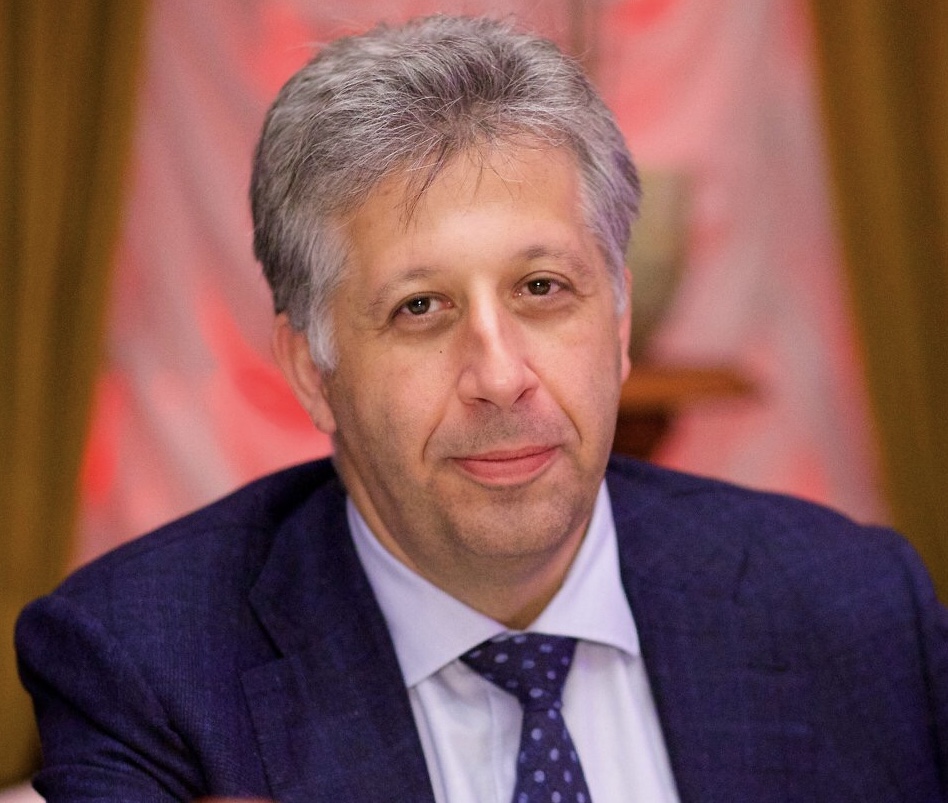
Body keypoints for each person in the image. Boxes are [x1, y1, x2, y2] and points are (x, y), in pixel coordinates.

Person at [15, 13, 948, 803]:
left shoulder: (856, 609)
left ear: (621, 324)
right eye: (420, 307)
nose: (500, 376)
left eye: (543, 288)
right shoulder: (146, 666)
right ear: (311, 370)